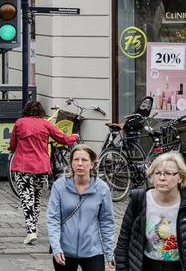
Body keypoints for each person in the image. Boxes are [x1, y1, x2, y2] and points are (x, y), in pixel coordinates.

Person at [9, 100, 80, 244]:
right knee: (36, 197)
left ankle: (31, 230)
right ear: (41, 112)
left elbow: (12, 144)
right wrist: (74, 137)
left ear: (26, 111)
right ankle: (33, 227)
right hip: (41, 167)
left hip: (23, 166)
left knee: (26, 198)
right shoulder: (46, 124)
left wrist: (13, 149)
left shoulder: (19, 123)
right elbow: (63, 139)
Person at [117, 152, 186, 271]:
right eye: (157, 173)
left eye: (168, 173)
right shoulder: (139, 199)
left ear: (180, 177)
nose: (161, 178)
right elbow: (124, 241)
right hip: (146, 265)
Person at [46, 145, 115, 271]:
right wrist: (56, 248)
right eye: (76, 160)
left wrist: (109, 252)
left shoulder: (102, 188)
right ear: (71, 163)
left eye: (84, 160)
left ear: (92, 164)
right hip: (64, 250)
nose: (80, 164)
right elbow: (53, 218)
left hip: (92, 250)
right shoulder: (59, 186)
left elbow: (106, 222)